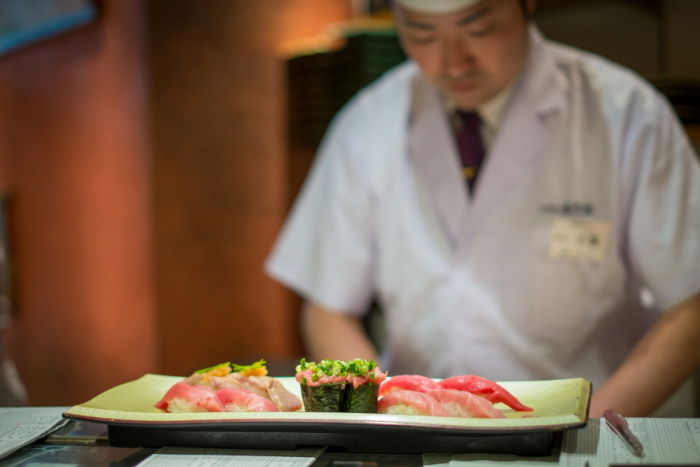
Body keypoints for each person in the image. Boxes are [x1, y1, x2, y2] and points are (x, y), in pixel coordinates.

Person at [266, 0, 700, 417]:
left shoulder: (626, 113)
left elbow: (690, 305)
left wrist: (590, 429)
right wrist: (380, 420)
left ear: (525, 6)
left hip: (591, 420)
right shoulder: (368, 121)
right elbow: (329, 307)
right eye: (423, 34)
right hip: (417, 435)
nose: (454, 62)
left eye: (480, 29)